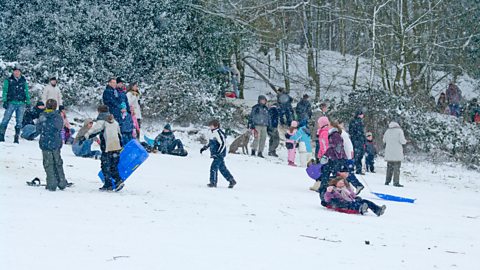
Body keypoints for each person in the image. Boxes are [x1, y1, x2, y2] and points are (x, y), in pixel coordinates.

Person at [82, 105, 125, 192]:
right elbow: (119, 134)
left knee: (105, 165)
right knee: (113, 166)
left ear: (99, 112)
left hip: (107, 147)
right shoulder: (115, 121)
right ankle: (117, 181)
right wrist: (121, 145)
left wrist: (85, 136)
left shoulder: (102, 121)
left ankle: (109, 184)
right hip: (116, 147)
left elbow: (94, 130)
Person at [36, 99, 68, 191]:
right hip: (56, 142)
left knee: (48, 163)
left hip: (45, 142)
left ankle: (51, 183)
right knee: (58, 162)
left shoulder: (42, 116)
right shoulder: (58, 116)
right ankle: (61, 182)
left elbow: (38, 129)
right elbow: (60, 127)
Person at [200, 119, 236, 188]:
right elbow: (210, 142)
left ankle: (213, 182)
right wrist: (204, 147)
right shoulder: (211, 132)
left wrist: (219, 153)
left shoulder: (218, 133)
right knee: (222, 168)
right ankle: (231, 180)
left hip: (219, 155)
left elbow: (223, 143)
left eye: (211, 125)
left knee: (213, 167)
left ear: (216, 126)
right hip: (215, 154)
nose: (210, 127)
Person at [0, 66, 30, 143]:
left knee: (19, 121)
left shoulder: (23, 81)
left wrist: (28, 102)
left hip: (21, 103)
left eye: (18, 71)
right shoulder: (9, 80)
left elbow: (26, 91)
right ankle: (1, 134)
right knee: (6, 119)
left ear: (20, 72)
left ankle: (16, 136)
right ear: (13, 72)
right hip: (11, 102)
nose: (17, 73)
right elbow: (5, 91)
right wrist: (5, 100)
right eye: (15, 71)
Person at [317, 123, 347, 198]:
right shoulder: (331, 134)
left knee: (334, 175)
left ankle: (331, 192)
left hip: (335, 159)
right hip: (332, 158)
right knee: (326, 173)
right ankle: (324, 190)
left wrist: (337, 157)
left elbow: (337, 147)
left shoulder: (335, 135)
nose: (328, 127)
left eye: (329, 126)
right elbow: (331, 148)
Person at [383, 121, 407, 187]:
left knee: (389, 168)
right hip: (397, 152)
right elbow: (402, 141)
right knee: (396, 168)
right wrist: (406, 141)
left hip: (389, 152)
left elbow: (384, 140)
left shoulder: (387, 131)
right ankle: (396, 182)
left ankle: (387, 181)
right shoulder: (399, 131)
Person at [349, 110, 366, 174]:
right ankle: (358, 169)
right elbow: (360, 132)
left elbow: (351, 131)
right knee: (358, 156)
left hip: (355, 140)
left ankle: (354, 168)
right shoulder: (359, 122)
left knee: (356, 155)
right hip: (358, 141)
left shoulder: (353, 121)